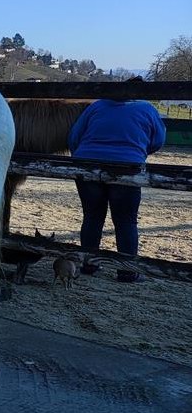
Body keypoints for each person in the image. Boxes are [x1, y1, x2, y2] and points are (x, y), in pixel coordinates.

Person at [67, 82, 166, 282]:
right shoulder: (147, 108)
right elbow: (158, 140)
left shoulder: (96, 106)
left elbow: (74, 137)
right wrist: (138, 151)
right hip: (127, 167)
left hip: (88, 164)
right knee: (126, 220)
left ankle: (89, 263)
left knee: (92, 216)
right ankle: (127, 271)